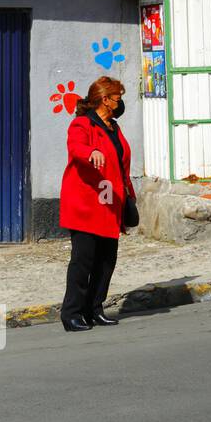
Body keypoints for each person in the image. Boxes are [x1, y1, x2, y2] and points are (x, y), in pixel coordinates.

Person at [58, 76, 135, 332]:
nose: (120, 102)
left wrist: (130, 196)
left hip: (110, 203)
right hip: (85, 204)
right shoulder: (81, 125)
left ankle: (94, 309)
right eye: (117, 98)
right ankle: (72, 314)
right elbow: (75, 148)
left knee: (106, 261)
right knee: (83, 261)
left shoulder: (114, 128)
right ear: (105, 100)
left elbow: (122, 165)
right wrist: (91, 152)